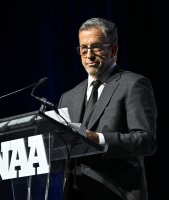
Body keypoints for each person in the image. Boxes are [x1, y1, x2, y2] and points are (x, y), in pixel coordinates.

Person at [58, 17, 157, 200]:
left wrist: (99, 139)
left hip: (117, 193)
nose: (89, 55)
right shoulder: (68, 97)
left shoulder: (133, 84)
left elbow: (146, 141)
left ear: (114, 50)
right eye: (83, 48)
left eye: (96, 47)